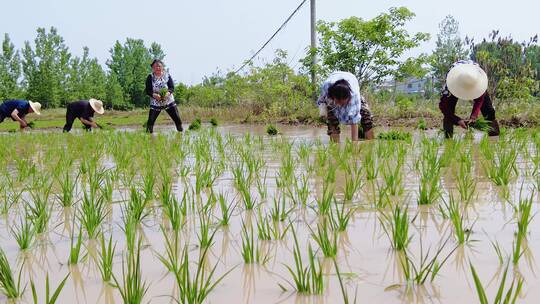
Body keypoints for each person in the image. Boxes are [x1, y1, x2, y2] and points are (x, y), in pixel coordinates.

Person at [439, 60, 500, 138]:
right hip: (457, 78)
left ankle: (494, 136)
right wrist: (457, 120)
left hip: (474, 76)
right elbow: (443, 107)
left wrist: (474, 116)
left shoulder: (478, 82)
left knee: (489, 111)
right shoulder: (450, 86)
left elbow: (480, 100)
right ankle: (448, 137)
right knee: (448, 112)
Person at [317, 71, 374, 143]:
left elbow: (354, 122)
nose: (340, 105)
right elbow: (321, 100)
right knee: (332, 122)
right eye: (338, 102)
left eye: (343, 103)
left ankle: (370, 143)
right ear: (333, 97)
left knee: (366, 118)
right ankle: (335, 147)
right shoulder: (326, 87)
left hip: (351, 80)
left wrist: (355, 144)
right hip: (333, 87)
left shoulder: (354, 97)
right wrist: (323, 110)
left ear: (348, 99)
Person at [145, 59, 183, 133]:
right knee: (150, 122)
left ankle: (181, 134)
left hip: (168, 100)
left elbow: (171, 87)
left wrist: (167, 94)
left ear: (162, 67)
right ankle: (148, 137)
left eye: (159, 66)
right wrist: (154, 95)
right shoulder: (150, 77)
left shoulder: (167, 75)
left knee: (177, 119)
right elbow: (148, 91)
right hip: (155, 101)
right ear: (152, 68)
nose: (158, 68)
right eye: (156, 66)